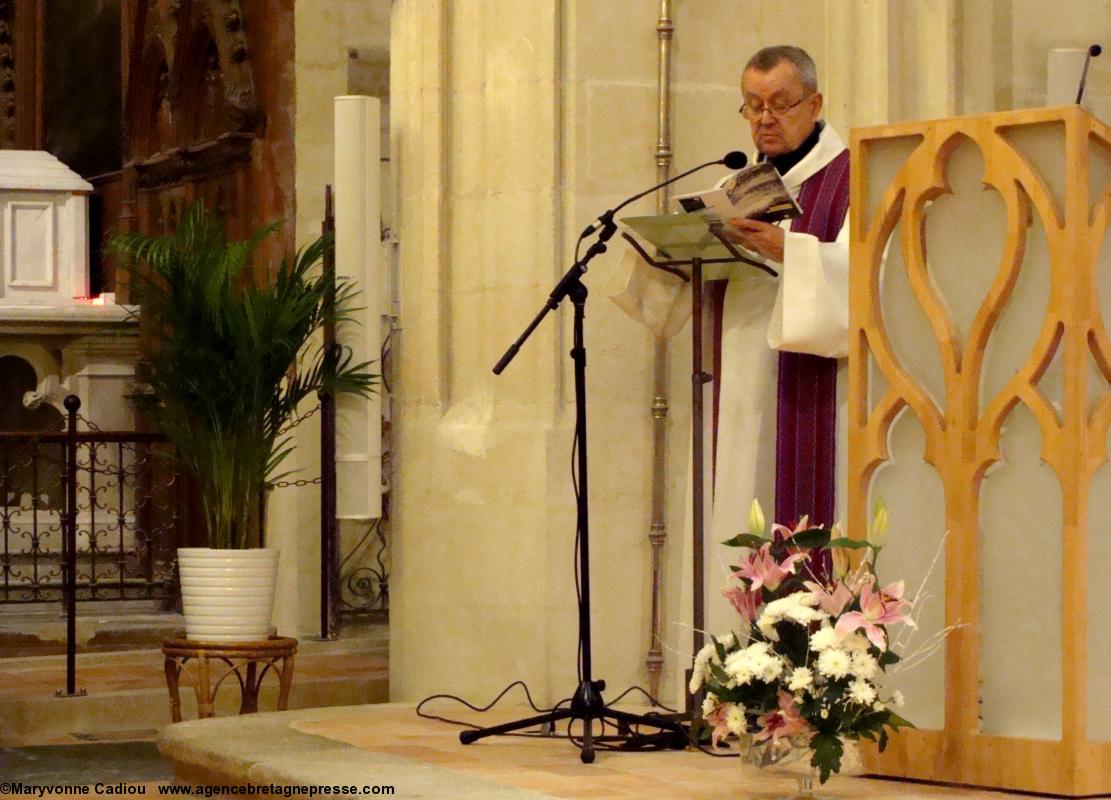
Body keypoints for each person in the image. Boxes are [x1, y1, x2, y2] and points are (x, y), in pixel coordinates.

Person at [607, 45, 849, 643]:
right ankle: (730, 669)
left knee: (800, 524)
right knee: (735, 507)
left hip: (810, 389)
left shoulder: (854, 179)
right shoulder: (733, 186)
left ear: (815, 103)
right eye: (752, 106)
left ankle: (809, 676)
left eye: (780, 104)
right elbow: (678, 299)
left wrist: (789, 250)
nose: (764, 119)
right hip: (734, 382)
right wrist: (672, 250)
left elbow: (868, 282)